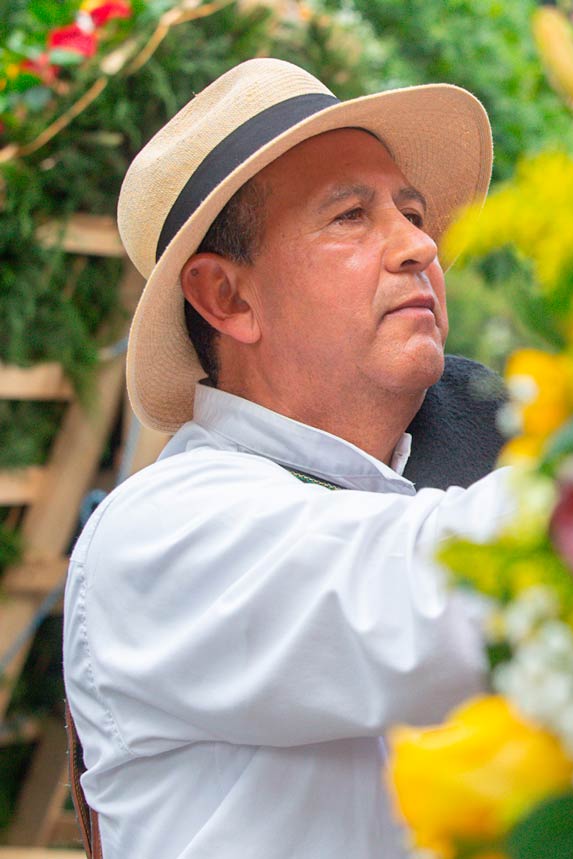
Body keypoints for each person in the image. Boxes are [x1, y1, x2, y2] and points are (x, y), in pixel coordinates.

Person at [62, 57, 517, 859]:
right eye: (350, 217)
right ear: (226, 298)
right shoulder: (162, 529)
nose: (418, 245)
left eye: (413, 214)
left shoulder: (431, 474)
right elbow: (437, 593)